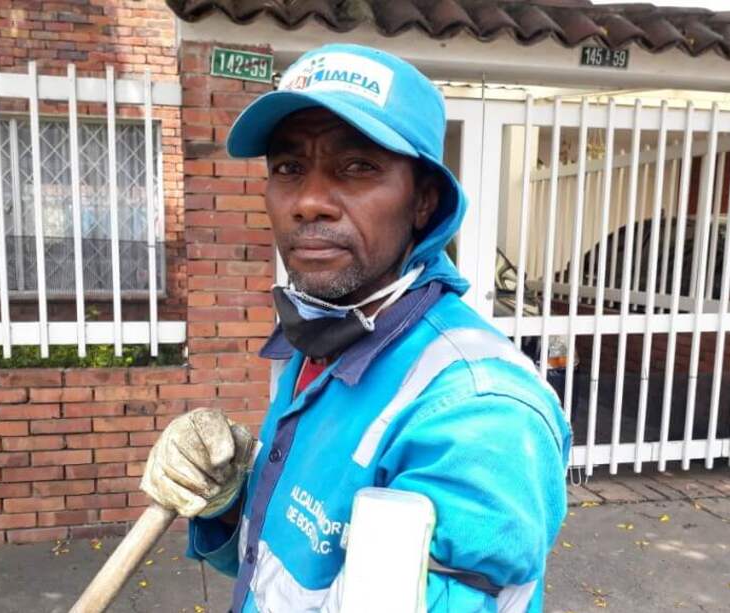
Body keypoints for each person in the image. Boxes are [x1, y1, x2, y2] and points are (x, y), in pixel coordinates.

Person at [140, 43, 570, 612]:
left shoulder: (480, 414)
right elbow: (279, 562)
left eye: (358, 166)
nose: (310, 201)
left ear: (423, 202)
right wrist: (227, 500)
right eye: (288, 168)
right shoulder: (325, 338)